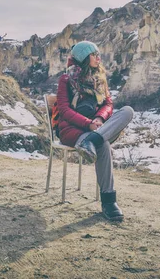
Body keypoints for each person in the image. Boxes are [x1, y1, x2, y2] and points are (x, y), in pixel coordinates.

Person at [56, 41, 134, 221]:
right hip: (73, 130)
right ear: (84, 58)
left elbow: (108, 104)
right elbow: (64, 110)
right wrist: (88, 124)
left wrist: (98, 120)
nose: (98, 58)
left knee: (127, 111)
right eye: (94, 54)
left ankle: (92, 140)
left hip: (97, 128)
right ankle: (109, 201)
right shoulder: (66, 79)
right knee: (104, 145)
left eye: (98, 54)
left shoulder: (100, 79)